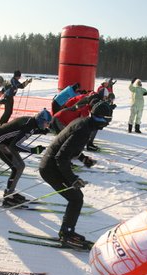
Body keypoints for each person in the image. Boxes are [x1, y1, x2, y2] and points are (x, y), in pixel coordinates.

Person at [39, 101, 112, 249]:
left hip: (52, 165)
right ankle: (67, 234)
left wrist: (83, 158)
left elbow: (70, 147)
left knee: (76, 198)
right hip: (50, 168)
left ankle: (67, 232)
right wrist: (72, 179)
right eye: (108, 120)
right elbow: (61, 157)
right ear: (102, 119)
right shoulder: (83, 129)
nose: (107, 124)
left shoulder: (84, 123)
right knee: (76, 198)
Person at [0, 108, 51, 206]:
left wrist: (41, 131)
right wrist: (33, 150)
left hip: (5, 141)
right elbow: (15, 145)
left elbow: (24, 131)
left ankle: (10, 193)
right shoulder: (30, 126)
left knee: (19, 166)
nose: (47, 125)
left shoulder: (31, 122)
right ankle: (8, 197)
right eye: (46, 123)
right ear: (41, 121)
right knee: (17, 167)